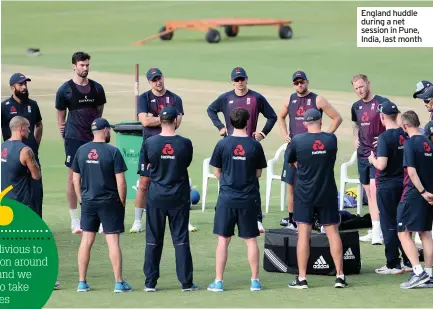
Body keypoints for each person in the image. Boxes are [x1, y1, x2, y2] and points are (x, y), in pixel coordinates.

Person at [207, 67, 277, 233]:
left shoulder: (256, 98)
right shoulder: (225, 98)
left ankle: (257, 219)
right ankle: (222, 213)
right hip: (228, 144)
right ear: (232, 82)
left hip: (249, 144)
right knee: (226, 179)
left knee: (253, 180)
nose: (240, 82)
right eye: (236, 80)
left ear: (246, 79)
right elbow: (211, 110)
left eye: (242, 79)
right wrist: (220, 126)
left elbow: (272, 116)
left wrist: (263, 133)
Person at [285, 109, 347, 289]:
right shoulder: (331, 139)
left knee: (304, 234)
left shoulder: (297, 140)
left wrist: (304, 166)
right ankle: (340, 276)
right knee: (332, 232)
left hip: (305, 193)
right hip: (326, 191)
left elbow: (292, 162)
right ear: (320, 121)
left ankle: (302, 278)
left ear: (305, 123)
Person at [207, 107, 267, 292]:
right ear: (248, 122)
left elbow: (216, 170)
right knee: (250, 240)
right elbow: (258, 173)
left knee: (223, 240)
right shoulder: (255, 145)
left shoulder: (223, 144)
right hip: (248, 198)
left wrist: (227, 180)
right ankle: (255, 281)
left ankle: (218, 281)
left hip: (227, 198)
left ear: (230, 122)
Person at [130, 68, 197, 233]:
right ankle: (137, 220)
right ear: (149, 82)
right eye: (154, 80)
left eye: (159, 78)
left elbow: (176, 123)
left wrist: (157, 119)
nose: (158, 82)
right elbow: (144, 121)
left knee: (179, 181)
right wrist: (165, 118)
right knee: (144, 183)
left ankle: (185, 220)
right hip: (150, 146)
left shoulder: (175, 98)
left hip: (171, 145)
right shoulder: (144, 98)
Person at [71, 118, 132, 293]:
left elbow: (75, 179)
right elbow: (121, 182)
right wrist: (122, 202)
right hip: (110, 201)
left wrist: (81, 198)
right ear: (105, 130)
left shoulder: (81, 151)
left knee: (86, 240)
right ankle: (119, 283)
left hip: (89, 201)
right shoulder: (113, 152)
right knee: (112, 242)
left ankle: (82, 282)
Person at [278, 71, 342, 230]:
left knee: (317, 184)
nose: (299, 85)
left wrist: (325, 136)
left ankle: (318, 219)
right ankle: (293, 220)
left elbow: (337, 118)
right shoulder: (289, 99)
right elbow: (280, 117)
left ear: (307, 82)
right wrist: (285, 134)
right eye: (296, 83)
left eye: (302, 82)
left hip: (312, 149)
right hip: (295, 150)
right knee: (291, 185)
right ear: (293, 85)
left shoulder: (317, 99)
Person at [142, 106, 197, 292]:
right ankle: (186, 283)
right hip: (179, 196)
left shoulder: (150, 142)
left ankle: (150, 283)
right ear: (175, 121)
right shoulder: (185, 143)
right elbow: (185, 163)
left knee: (153, 239)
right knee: (181, 239)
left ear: (160, 121)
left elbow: (146, 168)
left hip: (156, 196)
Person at [55, 51, 107, 234]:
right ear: (74, 66)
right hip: (74, 139)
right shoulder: (65, 90)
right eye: (82, 65)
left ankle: (100, 219)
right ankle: (75, 220)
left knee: (98, 177)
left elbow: (99, 112)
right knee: (73, 178)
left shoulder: (97, 89)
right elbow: (61, 118)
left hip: (94, 138)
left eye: (87, 65)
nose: (85, 68)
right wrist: (66, 133)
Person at [368, 101, 412, 274]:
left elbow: (381, 165)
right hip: (404, 183)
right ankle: (409, 260)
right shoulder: (404, 133)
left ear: (382, 117)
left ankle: (393, 263)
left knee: (389, 223)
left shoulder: (385, 137)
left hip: (387, 185)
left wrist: (372, 160)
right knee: (404, 222)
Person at [396, 111, 433, 289]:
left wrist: (423, 191)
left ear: (404, 126)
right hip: (429, 195)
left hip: (414, 193)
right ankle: (430, 274)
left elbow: (411, 172)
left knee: (402, 231)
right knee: (425, 233)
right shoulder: (429, 142)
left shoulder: (410, 144)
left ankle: (418, 273)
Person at [351, 73, 389, 245]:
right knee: (367, 192)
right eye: (356, 87)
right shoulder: (356, 106)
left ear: (368, 83)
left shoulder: (382, 102)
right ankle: (376, 228)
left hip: (377, 154)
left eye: (361, 86)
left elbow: (394, 122)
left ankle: (377, 232)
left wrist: (383, 138)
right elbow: (356, 124)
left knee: (374, 192)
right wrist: (355, 137)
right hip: (362, 155)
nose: (359, 90)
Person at [1, 73, 44, 218]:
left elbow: (39, 125)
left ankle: (37, 223)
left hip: (31, 155)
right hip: (13, 157)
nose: (24, 87)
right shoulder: (4, 107)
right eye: (21, 84)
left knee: (36, 190)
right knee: (14, 192)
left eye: (25, 84)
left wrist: (35, 145)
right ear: (13, 88)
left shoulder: (33, 105)